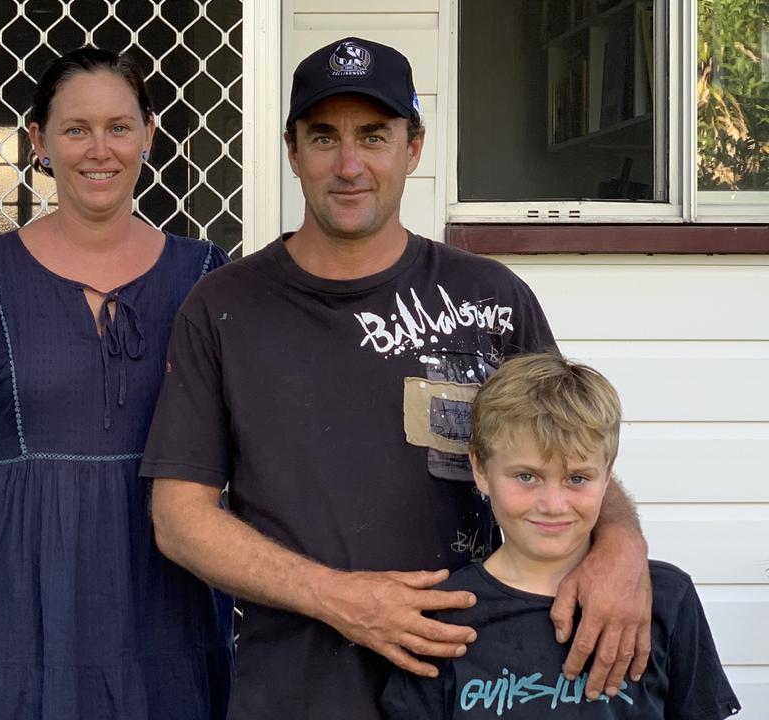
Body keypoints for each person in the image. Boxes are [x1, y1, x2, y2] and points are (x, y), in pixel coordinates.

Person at [143, 37, 652, 720]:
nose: (349, 165)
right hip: (295, 691)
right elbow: (179, 519)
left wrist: (622, 545)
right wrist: (339, 598)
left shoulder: (491, 298)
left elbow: (573, 458)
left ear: (413, 147)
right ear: (292, 150)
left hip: (478, 680)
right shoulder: (225, 307)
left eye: (374, 136)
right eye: (324, 137)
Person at [0, 47, 233, 719]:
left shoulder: (204, 276)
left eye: (119, 127)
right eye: (76, 129)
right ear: (40, 141)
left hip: (164, 584)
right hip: (9, 585)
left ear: (149, 135)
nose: (99, 149)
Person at [381, 353, 741, 719]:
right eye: (526, 476)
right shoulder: (440, 618)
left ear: (607, 474)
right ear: (481, 468)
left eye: (577, 478)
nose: (553, 505)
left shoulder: (665, 597)